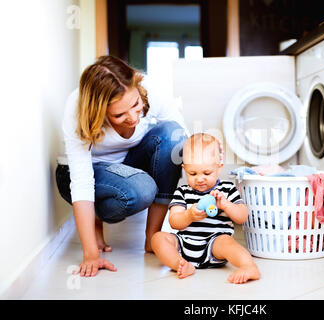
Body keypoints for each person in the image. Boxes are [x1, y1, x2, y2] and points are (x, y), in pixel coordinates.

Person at [56, 55, 188, 277]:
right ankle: (95, 218)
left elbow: (181, 133)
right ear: (99, 111)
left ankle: (153, 239)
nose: (133, 118)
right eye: (119, 114)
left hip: (125, 164)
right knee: (143, 189)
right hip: (78, 173)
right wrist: (90, 254)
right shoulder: (77, 108)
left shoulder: (149, 90)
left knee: (172, 136)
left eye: (135, 105)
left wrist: (206, 153)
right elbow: (81, 181)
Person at [151, 133, 261, 284]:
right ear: (184, 169)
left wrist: (226, 205)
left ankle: (249, 266)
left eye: (207, 173)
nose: (200, 178)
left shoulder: (227, 189)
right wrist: (189, 215)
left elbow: (242, 217)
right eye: (193, 173)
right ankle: (180, 264)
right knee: (158, 238)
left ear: (219, 167)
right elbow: (174, 221)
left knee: (227, 242)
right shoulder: (182, 192)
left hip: (214, 245)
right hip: (184, 246)